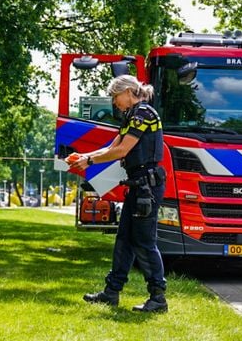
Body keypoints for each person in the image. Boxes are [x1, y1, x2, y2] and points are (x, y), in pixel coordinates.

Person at [67, 75, 168, 313]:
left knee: (144, 242)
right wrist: (83, 157)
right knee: (124, 240)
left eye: (116, 97)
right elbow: (112, 148)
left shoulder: (144, 114)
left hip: (147, 187)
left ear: (128, 91)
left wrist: (89, 160)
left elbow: (123, 150)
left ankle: (158, 298)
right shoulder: (132, 117)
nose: (115, 103)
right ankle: (111, 293)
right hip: (138, 185)